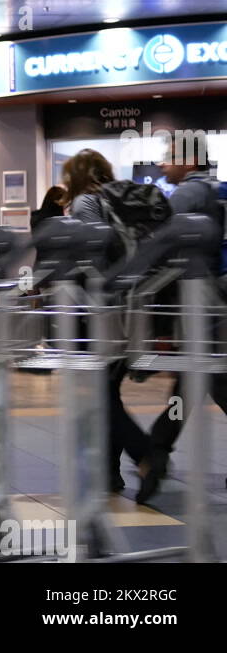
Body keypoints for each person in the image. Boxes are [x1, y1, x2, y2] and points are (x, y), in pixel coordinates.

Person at [137, 141, 227, 503]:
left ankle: (156, 454)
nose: (161, 163)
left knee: (207, 377)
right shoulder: (219, 188)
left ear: (190, 160)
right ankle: (157, 452)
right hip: (216, 298)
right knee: (196, 377)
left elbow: (160, 233)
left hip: (203, 297)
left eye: (170, 157)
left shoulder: (190, 191)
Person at [61, 149, 150, 492]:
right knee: (108, 390)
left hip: (98, 309)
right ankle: (110, 473)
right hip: (126, 306)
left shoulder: (85, 202)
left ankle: (144, 455)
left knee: (100, 392)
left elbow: (90, 257)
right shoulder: (117, 200)